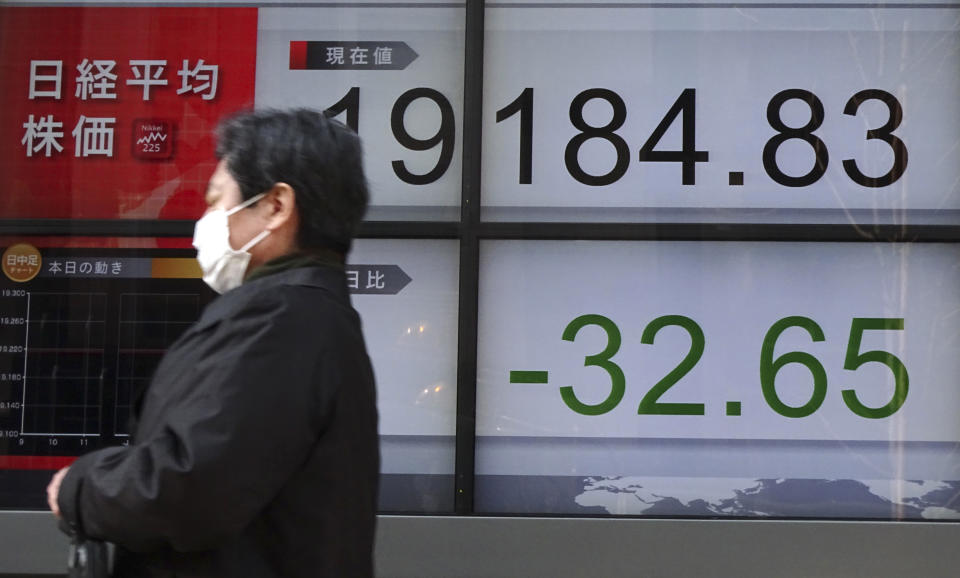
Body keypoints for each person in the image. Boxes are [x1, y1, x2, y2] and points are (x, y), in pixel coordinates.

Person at [45, 109, 379, 577]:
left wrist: (80, 489)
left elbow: (191, 485)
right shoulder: (303, 316)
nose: (205, 221)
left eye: (216, 200)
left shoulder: (281, 321)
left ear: (277, 206)